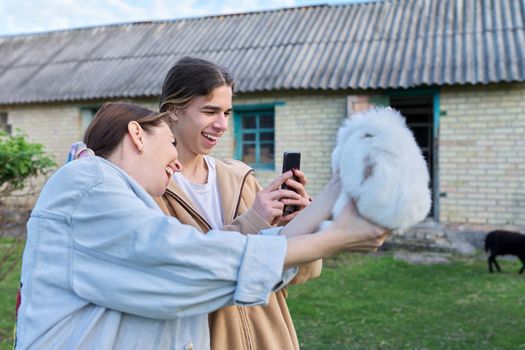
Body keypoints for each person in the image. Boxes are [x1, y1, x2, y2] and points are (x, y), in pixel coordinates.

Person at [15, 101, 388, 350]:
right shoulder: (86, 185)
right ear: (136, 134)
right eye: (172, 145)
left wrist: (332, 196)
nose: (177, 163)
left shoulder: (118, 200)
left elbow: (210, 252)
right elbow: (187, 263)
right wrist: (337, 238)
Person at [157, 57, 318, 349]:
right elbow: (179, 275)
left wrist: (302, 227)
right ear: (173, 111)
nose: (221, 125)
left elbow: (301, 275)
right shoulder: (152, 189)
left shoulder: (241, 179)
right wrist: (254, 221)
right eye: (210, 111)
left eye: (227, 113)